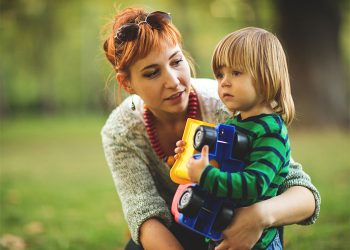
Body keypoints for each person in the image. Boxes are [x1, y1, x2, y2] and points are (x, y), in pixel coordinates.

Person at [101, 7, 321, 250]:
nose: (173, 81)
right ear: (127, 83)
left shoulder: (229, 106)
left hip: (240, 222)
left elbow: (303, 193)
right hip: (179, 230)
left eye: (176, 61)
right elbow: (143, 213)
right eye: (152, 73)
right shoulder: (120, 132)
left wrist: (258, 217)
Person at [177, 27, 294, 249]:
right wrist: (191, 159)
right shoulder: (232, 124)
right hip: (220, 231)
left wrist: (207, 175)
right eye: (220, 74)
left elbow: (255, 184)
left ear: (266, 75)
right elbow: (223, 167)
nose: (224, 82)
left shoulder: (270, 132)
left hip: (256, 243)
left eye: (236, 73)